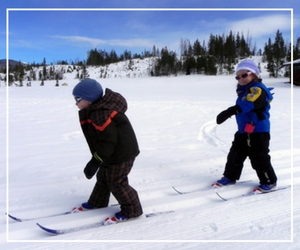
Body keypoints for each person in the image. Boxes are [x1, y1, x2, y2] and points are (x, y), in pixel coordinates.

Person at [72, 78, 143, 221]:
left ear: (89, 99)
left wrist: (95, 161)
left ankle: (132, 209)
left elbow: (108, 141)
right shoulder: (96, 110)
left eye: (78, 99)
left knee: (116, 182)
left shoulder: (101, 114)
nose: (76, 103)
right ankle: (98, 202)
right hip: (112, 153)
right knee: (103, 177)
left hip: (122, 154)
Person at [214, 59, 277, 192]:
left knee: (259, 157)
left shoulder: (257, 89)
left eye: (244, 75)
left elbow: (250, 103)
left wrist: (231, 110)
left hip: (259, 131)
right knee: (235, 155)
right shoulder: (243, 91)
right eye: (238, 76)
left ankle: (269, 181)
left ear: (254, 74)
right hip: (243, 131)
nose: (240, 79)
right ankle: (230, 177)